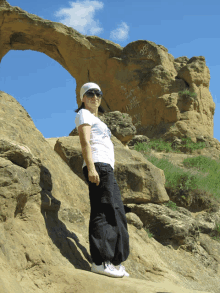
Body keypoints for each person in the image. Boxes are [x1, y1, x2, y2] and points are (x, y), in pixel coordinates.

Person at [75, 82, 130, 278]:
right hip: (97, 165)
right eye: (90, 93)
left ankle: (116, 261)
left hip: (107, 168)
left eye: (98, 93)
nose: (95, 97)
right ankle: (100, 261)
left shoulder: (101, 121)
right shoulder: (84, 115)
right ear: (82, 98)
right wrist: (90, 167)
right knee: (102, 211)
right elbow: (85, 142)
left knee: (117, 212)